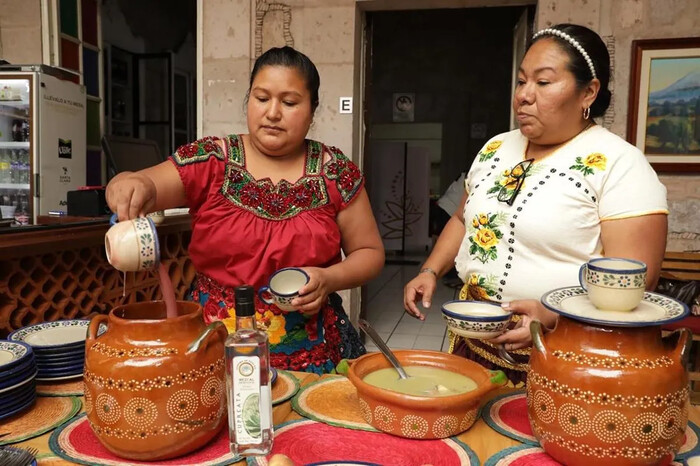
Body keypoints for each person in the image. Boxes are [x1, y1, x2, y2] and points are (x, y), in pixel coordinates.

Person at [403, 24, 668, 386]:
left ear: (588, 91)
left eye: (543, 83)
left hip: (563, 354)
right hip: (475, 341)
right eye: (521, 81)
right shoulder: (496, 149)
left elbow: (635, 281)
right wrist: (430, 270)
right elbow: (464, 219)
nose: (524, 96)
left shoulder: (620, 164)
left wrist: (553, 315)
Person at [106, 46, 385, 374]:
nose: (272, 113)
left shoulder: (335, 171)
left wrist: (329, 278)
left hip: (314, 350)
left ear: (312, 111)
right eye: (262, 98)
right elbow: (147, 184)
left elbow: (369, 252)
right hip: (215, 345)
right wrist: (127, 184)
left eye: (290, 102)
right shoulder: (212, 160)